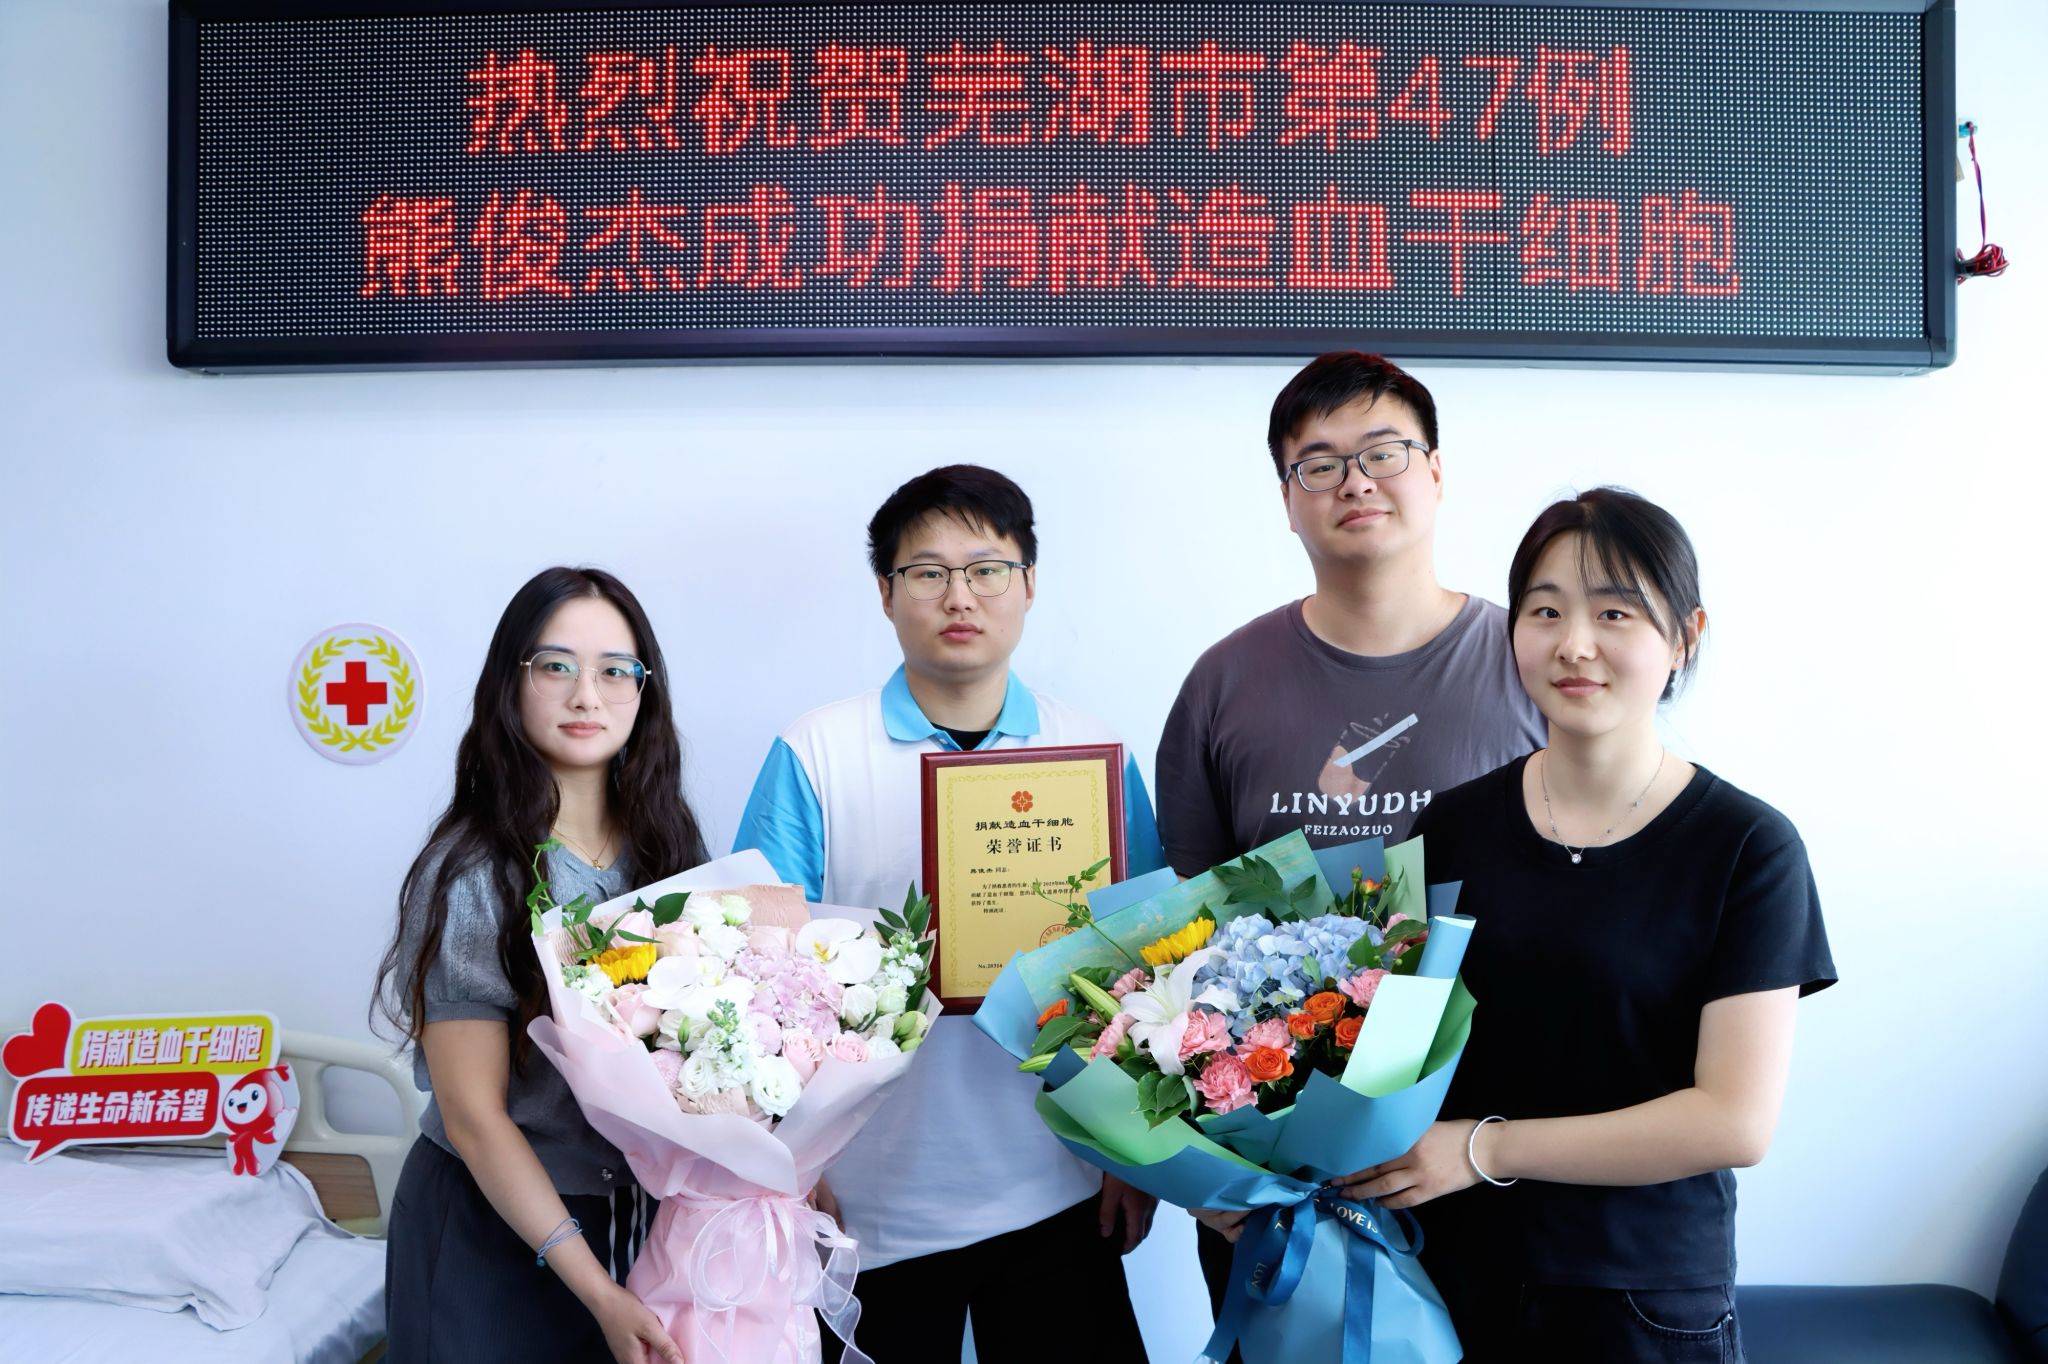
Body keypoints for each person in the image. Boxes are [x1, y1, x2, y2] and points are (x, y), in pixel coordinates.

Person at [1326, 488, 1837, 1362]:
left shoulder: (1747, 847)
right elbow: (1392, 1048)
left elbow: (1733, 1121)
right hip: (1448, 1277)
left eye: (1614, 613)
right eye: (1546, 611)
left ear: (1685, 637)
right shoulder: (1452, 825)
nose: (1574, 644)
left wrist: (1484, 1150)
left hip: (1640, 1298)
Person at [735, 465, 1164, 1363]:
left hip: (1057, 1180)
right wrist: (787, 1168)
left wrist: (1138, 1153)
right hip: (867, 1198)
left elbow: (1151, 967)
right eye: (927, 572)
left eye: (987, 569)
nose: (959, 596)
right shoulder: (818, 752)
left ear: (1029, 583)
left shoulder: (1093, 752)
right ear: (885, 592)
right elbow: (756, 972)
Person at [1158, 352, 1544, 1320]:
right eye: (1319, 463)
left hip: (1487, 1149)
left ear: (1436, 472)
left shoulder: (1532, 664)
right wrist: (1201, 1164)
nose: (1355, 481)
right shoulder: (1222, 682)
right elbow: (1178, 937)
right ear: (1287, 500)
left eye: (1383, 452)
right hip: (1274, 1179)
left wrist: (1499, 1142)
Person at [375, 566, 708, 1364]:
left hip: (635, 1223)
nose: (587, 696)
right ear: (510, 681)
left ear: (644, 690)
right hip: (495, 1233)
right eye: (556, 666)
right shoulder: (472, 873)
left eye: (614, 671)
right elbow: (474, 1119)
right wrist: (596, 1289)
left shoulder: (669, 850)